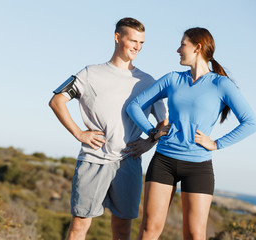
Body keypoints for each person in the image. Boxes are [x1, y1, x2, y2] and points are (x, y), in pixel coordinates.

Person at [126, 27, 256, 240]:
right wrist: (153, 132)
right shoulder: (172, 79)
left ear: (197, 48)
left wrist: (216, 144)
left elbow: (251, 123)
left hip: (198, 166)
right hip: (164, 162)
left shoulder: (221, 84)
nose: (178, 50)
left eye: (183, 45)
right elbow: (134, 106)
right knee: (150, 228)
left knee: (195, 235)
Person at [49, 17, 168, 240]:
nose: (137, 47)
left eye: (141, 43)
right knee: (79, 227)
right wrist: (79, 133)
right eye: (133, 41)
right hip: (93, 160)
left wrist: (149, 142)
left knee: (122, 230)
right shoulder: (90, 73)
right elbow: (57, 101)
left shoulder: (148, 82)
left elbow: (164, 123)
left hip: (128, 163)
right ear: (117, 38)